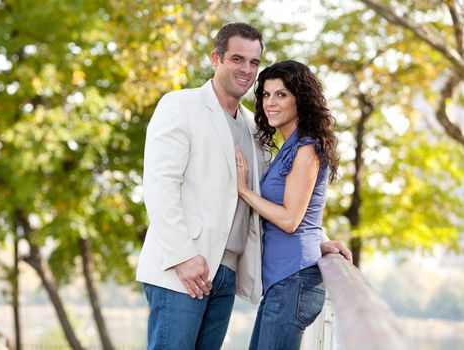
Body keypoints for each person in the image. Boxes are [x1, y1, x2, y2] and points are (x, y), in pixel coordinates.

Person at [136, 23, 351, 350]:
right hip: (183, 268)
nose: (247, 70)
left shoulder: (254, 127)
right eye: (238, 59)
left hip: (226, 274)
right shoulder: (180, 105)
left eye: (254, 62)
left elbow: (277, 195)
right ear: (216, 59)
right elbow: (159, 185)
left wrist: (317, 240)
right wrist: (183, 256)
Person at [235, 59, 349, 350]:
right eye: (266, 94)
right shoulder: (289, 147)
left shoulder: (306, 148)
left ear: (301, 99)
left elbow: (290, 220)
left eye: (281, 94)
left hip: (293, 281)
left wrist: (244, 190)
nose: (271, 102)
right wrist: (317, 244)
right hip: (283, 281)